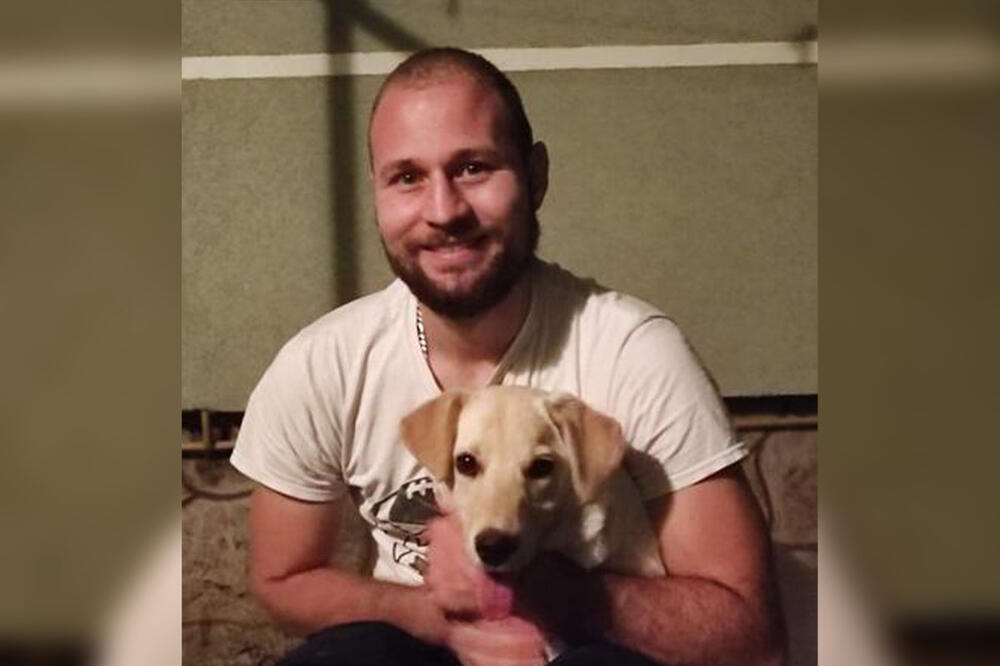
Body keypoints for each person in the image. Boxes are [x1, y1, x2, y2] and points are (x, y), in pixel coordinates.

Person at [230, 47, 785, 666]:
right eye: (407, 177)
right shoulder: (323, 364)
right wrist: (436, 616)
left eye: (473, 168)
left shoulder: (634, 352)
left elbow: (752, 641)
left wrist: (539, 592)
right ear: (377, 195)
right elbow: (282, 579)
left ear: (536, 176)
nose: (443, 211)